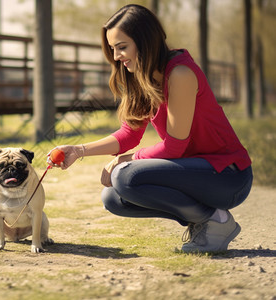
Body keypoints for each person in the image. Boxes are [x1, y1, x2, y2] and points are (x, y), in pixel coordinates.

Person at [47, 4, 253, 253]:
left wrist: (127, 160)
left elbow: (175, 146)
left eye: (122, 47)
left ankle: (217, 222)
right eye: (113, 49)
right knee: (113, 198)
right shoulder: (143, 78)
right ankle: (209, 219)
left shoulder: (180, 73)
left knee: (126, 176)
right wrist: (78, 150)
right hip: (195, 172)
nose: (116, 57)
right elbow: (129, 134)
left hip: (227, 176)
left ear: (145, 42)